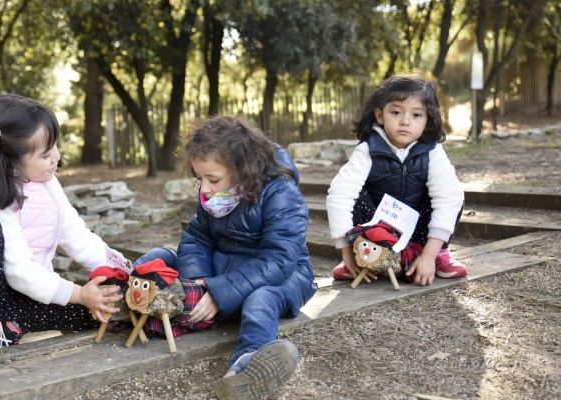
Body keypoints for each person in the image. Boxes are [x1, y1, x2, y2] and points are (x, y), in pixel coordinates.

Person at [0, 94, 130, 379]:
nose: (57, 157)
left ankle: (9, 325)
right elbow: (20, 271)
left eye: (55, 147)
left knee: (101, 309)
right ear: (10, 163)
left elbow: (77, 236)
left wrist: (126, 271)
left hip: (26, 290)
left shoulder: (48, 183)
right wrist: (79, 294)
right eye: (45, 153)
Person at [135, 116, 317, 399]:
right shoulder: (214, 195)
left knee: (261, 300)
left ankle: (246, 366)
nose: (205, 188)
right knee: (159, 257)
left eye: (213, 179)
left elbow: (279, 259)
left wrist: (220, 293)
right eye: (200, 178)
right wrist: (198, 282)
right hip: (224, 272)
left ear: (243, 168)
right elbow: (197, 238)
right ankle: (123, 300)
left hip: (283, 276)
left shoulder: (281, 192)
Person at [326, 74, 467, 287]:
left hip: (419, 232)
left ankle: (439, 254)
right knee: (348, 191)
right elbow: (339, 195)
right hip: (377, 232)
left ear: (427, 120)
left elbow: (448, 199)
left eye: (416, 115)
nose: (405, 121)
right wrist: (346, 250)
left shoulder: (432, 152)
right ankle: (358, 255)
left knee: (450, 191)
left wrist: (429, 256)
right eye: (396, 112)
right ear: (380, 115)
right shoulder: (368, 150)